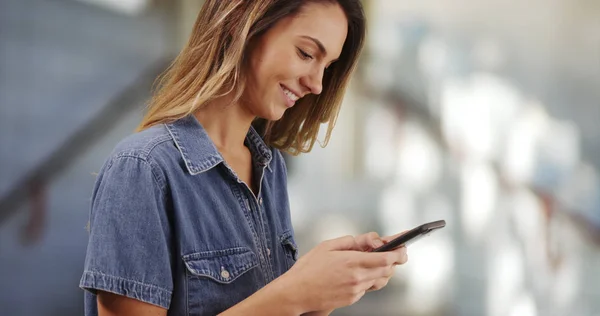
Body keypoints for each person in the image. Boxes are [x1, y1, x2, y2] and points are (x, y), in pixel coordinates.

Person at [79, 0, 408, 315]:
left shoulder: (269, 166)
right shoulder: (142, 170)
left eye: (327, 66)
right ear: (242, 23)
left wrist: (328, 287)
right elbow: (283, 301)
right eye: (306, 53)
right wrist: (296, 291)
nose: (317, 84)